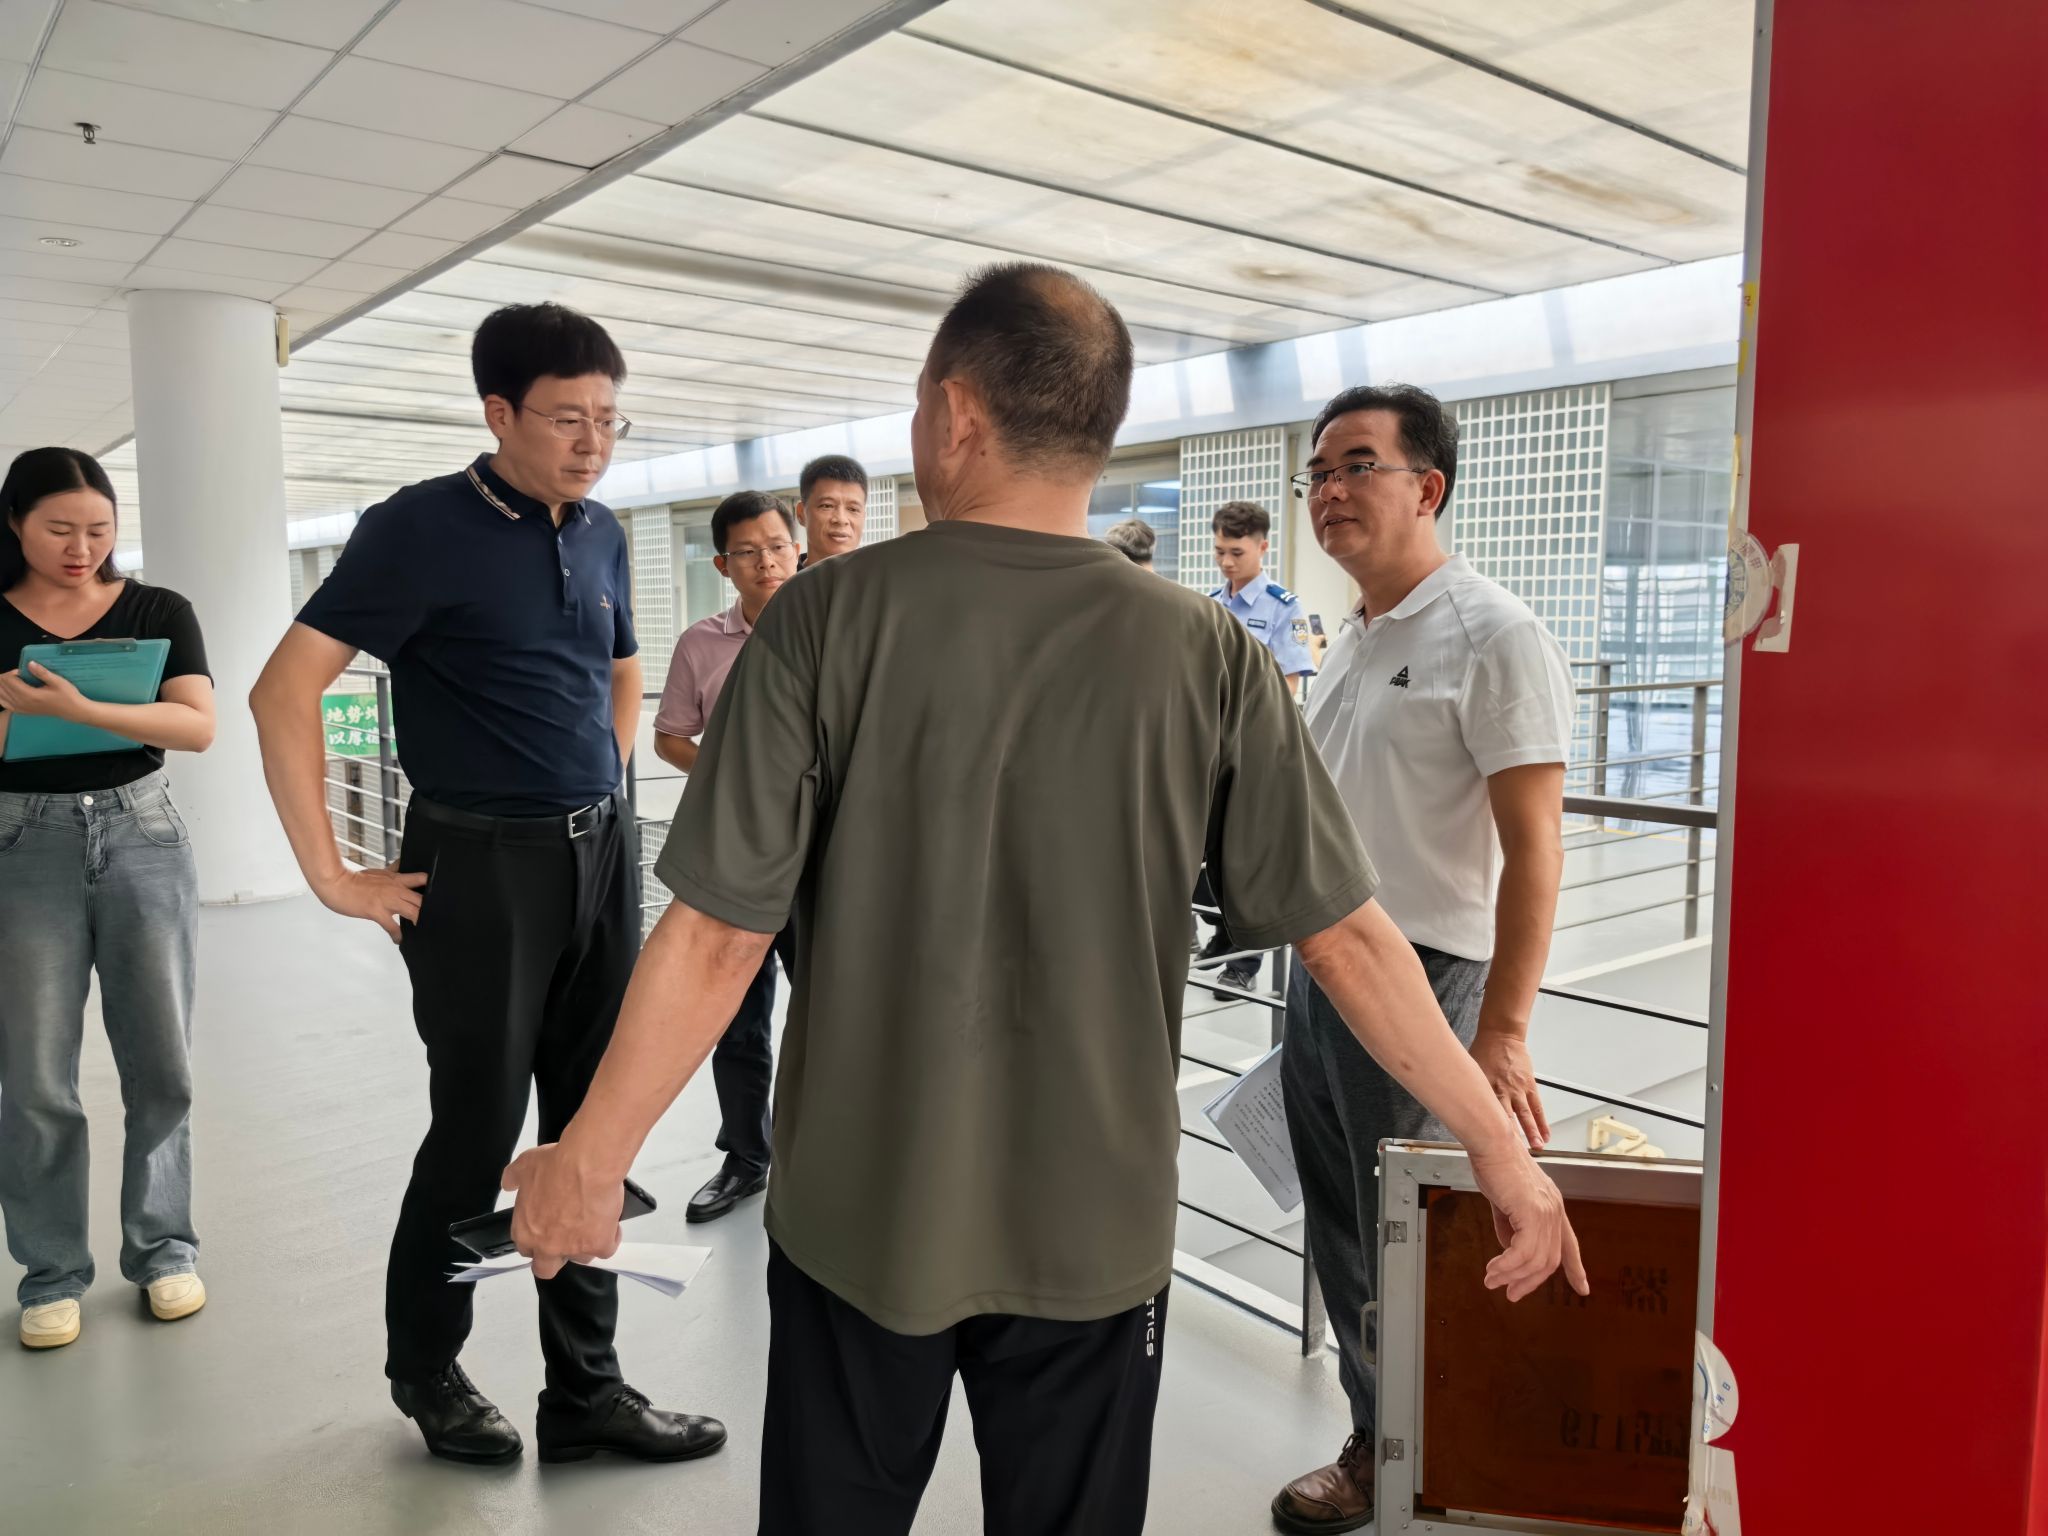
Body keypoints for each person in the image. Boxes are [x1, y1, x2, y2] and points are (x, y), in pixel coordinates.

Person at [500, 265, 1586, 1536]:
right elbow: (1347, 935)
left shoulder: (822, 621)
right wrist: (1497, 1147)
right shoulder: (1205, 651)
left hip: (862, 1215)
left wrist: (592, 1158)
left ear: (955, 414)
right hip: (1092, 1230)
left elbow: (719, 934)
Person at [247, 304, 720, 1469]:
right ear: (498, 413)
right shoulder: (417, 528)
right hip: (477, 867)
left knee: (592, 1127)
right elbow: (281, 690)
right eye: (566, 419)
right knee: (474, 1132)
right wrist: (331, 874)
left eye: (608, 419)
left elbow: (620, 668)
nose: (592, 442)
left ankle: (586, 1391)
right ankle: (428, 1368)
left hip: (596, 856)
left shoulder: (600, 531)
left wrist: (601, 785)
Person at [1270, 384, 1576, 1536]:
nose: (1328, 491)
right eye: (1316, 473)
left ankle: (1425, 1458)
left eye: (1356, 465)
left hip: (1423, 978)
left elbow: (1534, 848)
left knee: (1411, 1237)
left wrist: (1501, 1029)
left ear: (1427, 486)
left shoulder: (1492, 634)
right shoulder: (1352, 634)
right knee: (1344, 1227)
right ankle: (1383, 1436)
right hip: (1323, 971)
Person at [0, 447, 217, 1351]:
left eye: (98, 528)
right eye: (59, 529)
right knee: (34, 1075)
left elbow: (196, 725)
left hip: (143, 832)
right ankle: (51, 1273)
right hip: (21, 842)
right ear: (14, 524)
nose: (81, 547)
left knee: (161, 1062)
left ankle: (164, 1250)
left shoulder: (157, 610)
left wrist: (78, 710)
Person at [650, 491, 801, 1223]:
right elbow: (670, 737)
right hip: (736, 854)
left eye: (776, 546)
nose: (765, 561)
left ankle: (830, 1158)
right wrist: (731, 776)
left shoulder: (836, 626)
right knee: (735, 1016)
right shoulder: (700, 644)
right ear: (722, 565)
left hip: (823, 857)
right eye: (748, 551)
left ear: (797, 549)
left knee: (834, 1011)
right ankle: (746, 1157)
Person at [1194, 500, 1320, 996]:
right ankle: (1224, 932)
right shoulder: (1209, 604)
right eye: (1219, 552)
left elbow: (1289, 682)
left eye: (1237, 552)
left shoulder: (1285, 607)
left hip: (1254, 747)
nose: (1226, 562)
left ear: (1262, 546)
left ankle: (1244, 961)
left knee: (1248, 854)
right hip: (1208, 746)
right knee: (1201, 851)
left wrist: (1244, 731)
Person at [792, 453, 867, 562]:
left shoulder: (882, 572)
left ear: (864, 516)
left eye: (853, 509)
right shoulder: (783, 573)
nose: (841, 519)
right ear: (801, 513)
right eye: (827, 506)